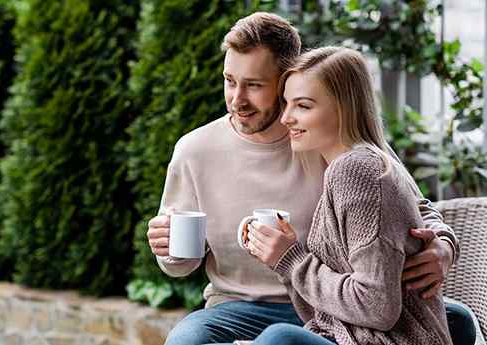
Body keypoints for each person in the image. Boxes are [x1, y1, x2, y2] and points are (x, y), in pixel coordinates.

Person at [145, 12, 473, 345]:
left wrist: (444, 246)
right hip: (238, 306)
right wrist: (169, 250)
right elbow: (180, 263)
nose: (237, 99)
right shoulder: (195, 150)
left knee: (455, 318)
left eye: (254, 85)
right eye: (230, 81)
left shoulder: (328, 137)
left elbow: (414, 207)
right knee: (186, 340)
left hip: (335, 301)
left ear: (285, 81)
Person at [242, 46, 452, 345]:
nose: (285, 117)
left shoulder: (356, 170)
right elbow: (322, 313)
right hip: (354, 335)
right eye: (286, 104)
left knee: (279, 338)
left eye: (303, 105)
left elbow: (377, 308)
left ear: (344, 108)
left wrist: (290, 260)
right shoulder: (371, 160)